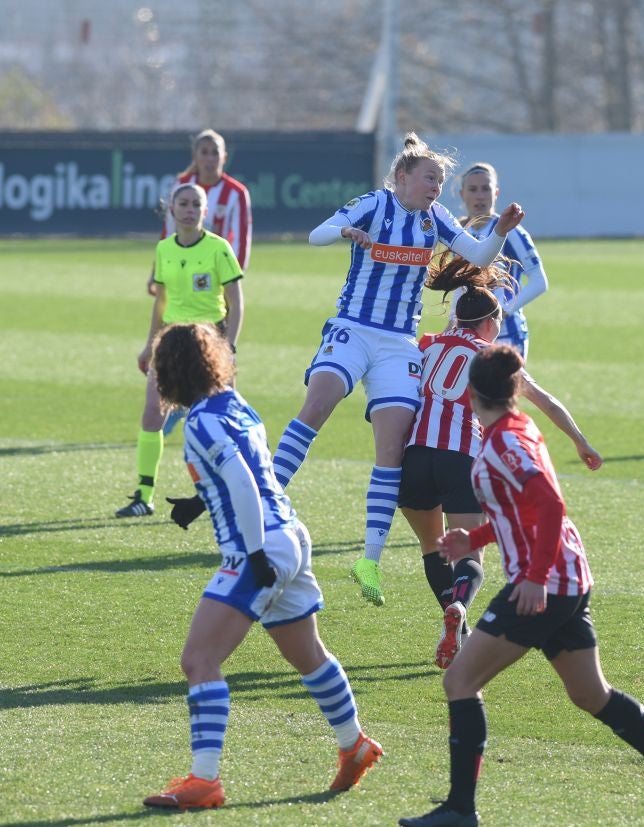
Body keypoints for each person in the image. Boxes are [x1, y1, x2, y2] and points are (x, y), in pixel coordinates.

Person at [398, 344, 644, 827]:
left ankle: (460, 808)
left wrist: (536, 578)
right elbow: (517, 509)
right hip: (568, 577)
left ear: (470, 394)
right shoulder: (515, 429)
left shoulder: (504, 443)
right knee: (590, 694)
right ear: (514, 390)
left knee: (460, 682)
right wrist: (472, 538)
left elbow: (548, 505)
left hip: (542, 584)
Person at [272, 133, 525, 607]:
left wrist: (502, 231)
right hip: (353, 327)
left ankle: (369, 559)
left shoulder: (436, 218)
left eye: (440, 180)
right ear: (403, 177)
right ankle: (266, 497)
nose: (436, 187)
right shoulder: (374, 203)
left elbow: (479, 255)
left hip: (398, 344)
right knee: (317, 407)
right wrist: (345, 232)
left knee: (391, 451)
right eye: (430, 178)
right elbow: (316, 234)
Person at [143, 323, 382, 809]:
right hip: (291, 534)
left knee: (198, 660)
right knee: (307, 654)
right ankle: (354, 744)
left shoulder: (201, 423)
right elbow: (253, 471)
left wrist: (252, 556)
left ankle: (205, 781)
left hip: (260, 547)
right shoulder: (235, 403)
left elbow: (242, 482)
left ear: (171, 372)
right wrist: (200, 500)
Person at [399, 255, 602, 670]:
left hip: (414, 457)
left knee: (431, 547)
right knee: (469, 559)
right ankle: (459, 605)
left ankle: (457, 621)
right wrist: (580, 440)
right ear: (492, 323)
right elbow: (545, 401)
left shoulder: (427, 344)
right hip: (461, 461)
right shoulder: (490, 359)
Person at [115, 183, 243, 518]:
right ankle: (143, 495)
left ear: (204, 211)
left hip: (209, 340)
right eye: (182, 203)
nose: (189, 209)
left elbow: (237, 302)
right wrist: (149, 344)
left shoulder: (219, 248)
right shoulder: (164, 250)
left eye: (195, 204)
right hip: (170, 341)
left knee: (223, 420)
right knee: (151, 416)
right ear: (171, 209)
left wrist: (228, 345)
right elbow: (161, 300)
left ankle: (227, 493)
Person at [147, 129, 252, 437]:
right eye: (203, 152)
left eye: (214, 152)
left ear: (224, 156)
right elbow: (168, 235)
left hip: (217, 282)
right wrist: (155, 273)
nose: (209, 158)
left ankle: (234, 428)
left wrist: (231, 275)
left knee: (219, 367)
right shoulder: (181, 187)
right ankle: (178, 406)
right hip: (180, 279)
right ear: (195, 156)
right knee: (179, 351)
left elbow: (241, 238)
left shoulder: (235, 193)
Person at [450, 162, 548, 361]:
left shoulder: (511, 230)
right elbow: (460, 287)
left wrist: (503, 311)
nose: (480, 195)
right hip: (469, 335)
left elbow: (539, 281)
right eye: (473, 189)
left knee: (502, 392)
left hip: (507, 335)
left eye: (485, 189)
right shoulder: (458, 234)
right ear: (462, 195)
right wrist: (452, 324)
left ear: (496, 193)